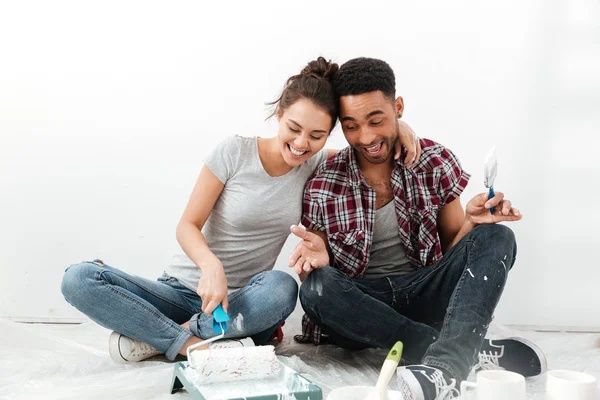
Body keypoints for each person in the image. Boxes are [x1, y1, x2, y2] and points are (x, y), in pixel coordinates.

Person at [60, 57, 421, 363]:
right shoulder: (233, 152)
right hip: (186, 292)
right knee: (80, 278)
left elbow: (366, 148)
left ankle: (161, 337)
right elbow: (187, 224)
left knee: (282, 288)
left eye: (316, 136)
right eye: (294, 128)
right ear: (279, 114)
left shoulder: (314, 165)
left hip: (244, 304)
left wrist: (401, 127)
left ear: (328, 136)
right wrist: (210, 266)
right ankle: (190, 344)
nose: (300, 144)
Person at [287, 57, 546, 400]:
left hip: (424, 290)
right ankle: (462, 352)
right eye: (351, 125)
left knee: (498, 235)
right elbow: (319, 274)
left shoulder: (433, 161)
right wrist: (316, 261)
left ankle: (443, 368)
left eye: (376, 120)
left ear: (398, 107)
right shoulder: (324, 182)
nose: (365, 137)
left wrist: (471, 220)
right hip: (365, 305)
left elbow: (454, 253)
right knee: (317, 288)